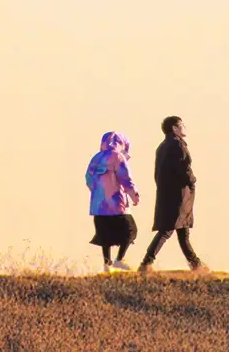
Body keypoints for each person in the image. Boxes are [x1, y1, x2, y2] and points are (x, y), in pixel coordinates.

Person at [139, 115, 207, 273]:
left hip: (167, 193)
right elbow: (184, 168)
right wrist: (192, 180)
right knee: (168, 229)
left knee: (182, 231)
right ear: (175, 128)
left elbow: (158, 173)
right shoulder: (177, 145)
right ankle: (146, 263)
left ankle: (196, 265)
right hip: (179, 195)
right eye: (181, 124)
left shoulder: (162, 146)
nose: (184, 127)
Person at [85, 131, 140, 271]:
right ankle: (119, 260)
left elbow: (88, 179)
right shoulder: (118, 157)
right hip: (117, 203)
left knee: (105, 235)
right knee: (131, 231)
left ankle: (107, 264)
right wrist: (134, 195)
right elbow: (126, 179)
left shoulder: (96, 158)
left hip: (99, 206)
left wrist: (98, 193)